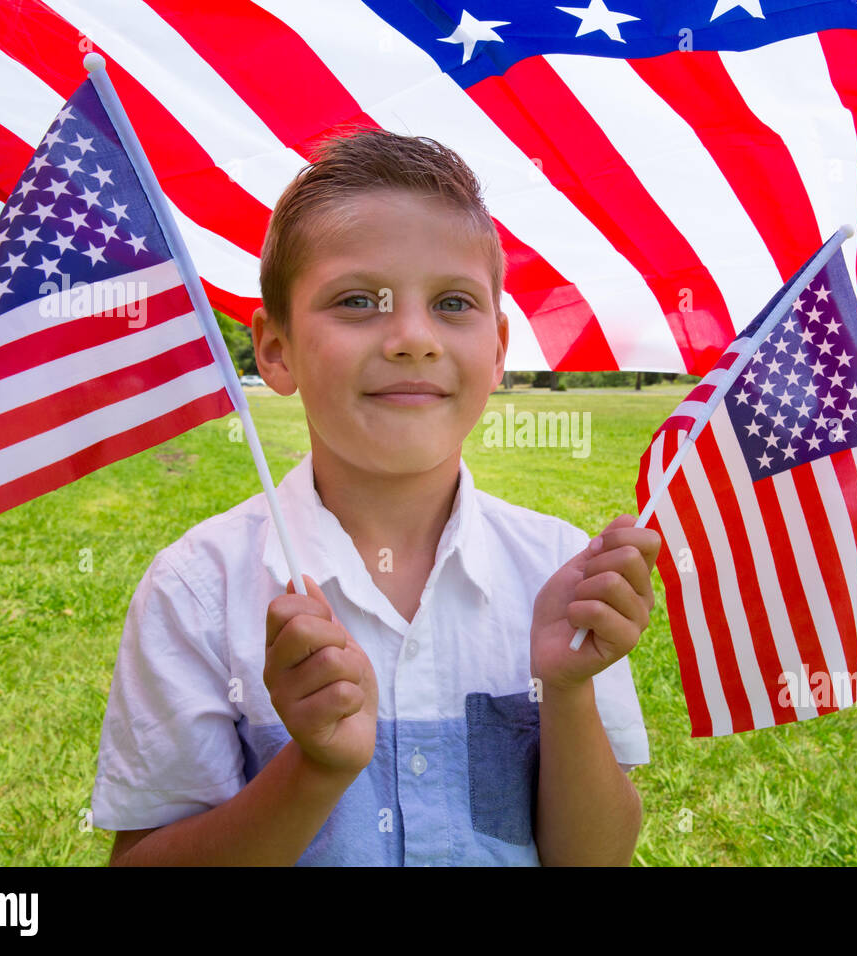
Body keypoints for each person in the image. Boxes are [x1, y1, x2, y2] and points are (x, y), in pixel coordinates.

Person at [91, 127, 661, 866]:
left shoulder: (558, 569)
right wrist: (314, 768)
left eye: (454, 303)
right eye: (359, 301)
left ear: (496, 351)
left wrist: (567, 691)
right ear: (274, 349)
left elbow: (595, 857)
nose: (413, 338)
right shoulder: (197, 590)